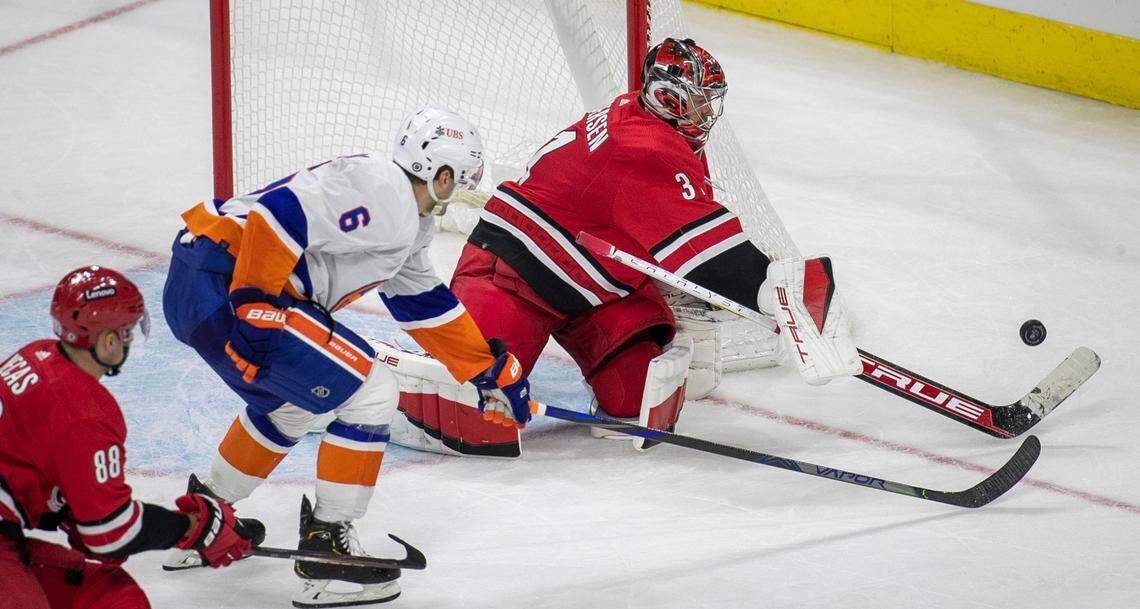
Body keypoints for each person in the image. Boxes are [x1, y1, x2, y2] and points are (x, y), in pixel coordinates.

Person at [161, 106, 533, 607]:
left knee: (295, 404)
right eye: (459, 180)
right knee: (372, 391)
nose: (459, 192)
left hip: (201, 283)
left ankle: (202, 517)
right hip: (230, 287)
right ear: (441, 175)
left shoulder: (404, 219)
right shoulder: (383, 191)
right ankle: (328, 550)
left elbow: (419, 302)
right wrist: (253, 303)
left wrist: (487, 370)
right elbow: (281, 213)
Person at [442, 38, 859, 446]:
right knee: (471, 414)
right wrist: (770, 294)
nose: (708, 110)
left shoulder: (655, 124)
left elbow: (685, 230)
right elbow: (712, 257)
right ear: (670, 98)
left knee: (638, 400)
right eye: (699, 99)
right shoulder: (644, 146)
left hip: (597, 288)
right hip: (513, 273)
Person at [0, 266, 258, 609]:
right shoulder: (85, 413)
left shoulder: (34, 355)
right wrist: (193, 526)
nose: (130, 339)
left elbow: (22, 461)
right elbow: (110, 535)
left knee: (114, 599)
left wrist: (66, 511)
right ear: (108, 341)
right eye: (127, 331)